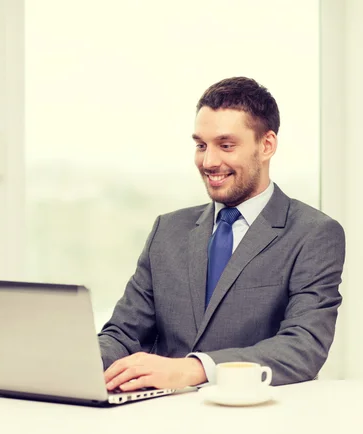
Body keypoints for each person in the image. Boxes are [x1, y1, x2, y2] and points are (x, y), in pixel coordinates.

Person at [98, 76, 346, 392]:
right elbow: (123, 333)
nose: (209, 161)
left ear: (266, 145)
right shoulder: (168, 230)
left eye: (226, 145)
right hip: (160, 415)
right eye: (201, 145)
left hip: (257, 416)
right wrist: (77, 362)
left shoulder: (314, 234)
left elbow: (302, 348)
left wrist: (195, 369)